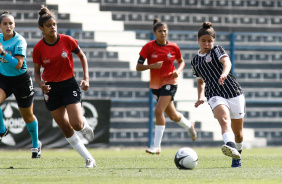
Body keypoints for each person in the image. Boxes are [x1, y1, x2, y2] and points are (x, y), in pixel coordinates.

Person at [32, 5, 95, 168]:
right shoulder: (38, 48)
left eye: (54, 24)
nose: (52, 27)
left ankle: (85, 125)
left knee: (76, 124)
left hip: (68, 84)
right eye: (48, 25)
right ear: (41, 28)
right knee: (65, 127)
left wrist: (86, 78)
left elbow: (82, 56)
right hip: (51, 89)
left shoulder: (67, 40)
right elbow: (37, 73)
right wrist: (41, 85)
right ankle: (89, 159)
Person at [136, 19, 197, 155]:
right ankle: (189, 125)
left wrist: (178, 71)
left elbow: (181, 62)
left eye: (165, 31)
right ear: (154, 33)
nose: (163, 33)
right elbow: (138, 67)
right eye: (160, 31)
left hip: (170, 81)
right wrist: (152, 65)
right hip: (156, 84)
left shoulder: (174, 47)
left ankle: (156, 146)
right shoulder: (148, 47)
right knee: (173, 115)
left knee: (158, 111)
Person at [191, 22, 245, 167]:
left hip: (232, 91)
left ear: (213, 41)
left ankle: (236, 156)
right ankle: (229, 145)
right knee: (223, 119)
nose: (207, 43)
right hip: (214, 93)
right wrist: (200, 96)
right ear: (198, 41)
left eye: (210, 40)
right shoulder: (195, 61)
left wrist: (224, 74)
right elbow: (200, 81)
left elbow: (227, 63)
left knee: (239, 133)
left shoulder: (217, 50)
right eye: (203, 40)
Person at [0, 11, 41, 158]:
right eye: (5, 23)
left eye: (10, 23)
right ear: (0, 26)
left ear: (14, 25)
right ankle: (2, 130)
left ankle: (36, 145)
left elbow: (18, 65)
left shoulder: (19, 41)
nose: (8, 26)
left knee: (27, 115)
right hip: (3, 79)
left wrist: (3, 52)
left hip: (21, 81)